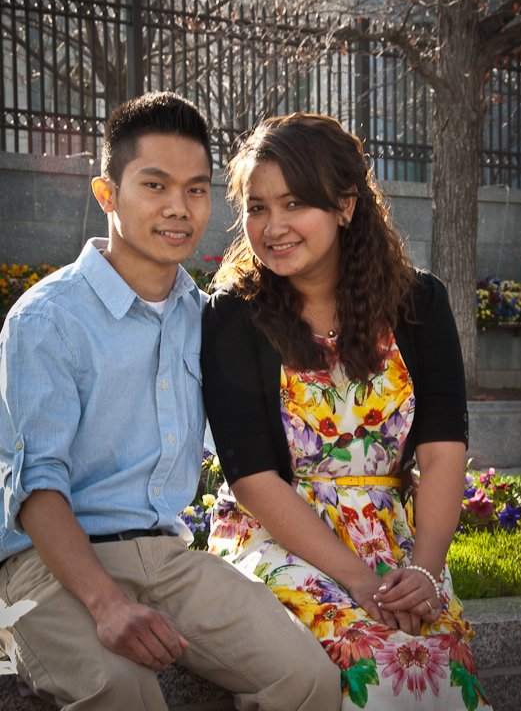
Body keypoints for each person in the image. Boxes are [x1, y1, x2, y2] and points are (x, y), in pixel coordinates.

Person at [0, 93, 342, 711]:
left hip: (168, 557)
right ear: (107, 194)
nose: (178, 208)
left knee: (308, 678)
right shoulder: (47, 319)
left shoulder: (205, 316)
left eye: (195, 190)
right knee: (121, 689)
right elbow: (36, 486)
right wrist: (107, 604)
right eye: (155, 185)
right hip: (48, 565)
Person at [201, 113, 492, 710]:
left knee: (438, 660)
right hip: (276, 535)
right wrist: (358, 579)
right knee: (376, 661)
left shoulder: (419, 303)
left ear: (345, 205)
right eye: (257, 208)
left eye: (294, 204)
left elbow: (443, 454)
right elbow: (253, 478)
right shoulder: (235, 312)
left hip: (393, 539)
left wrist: (426, 572)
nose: (273, 227)